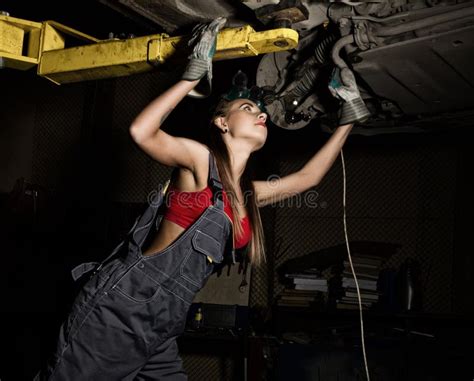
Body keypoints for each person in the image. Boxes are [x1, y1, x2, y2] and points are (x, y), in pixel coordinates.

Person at [35, 16, 368, 380]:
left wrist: (347, 119)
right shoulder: (199, 162)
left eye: (260, 112)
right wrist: (192, 77)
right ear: (222, 123)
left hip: (164, 322)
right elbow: (141, 131)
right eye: (247, 108)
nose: (260, 113)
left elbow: (307, 178)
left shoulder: (246, 195)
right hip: (125, 307)